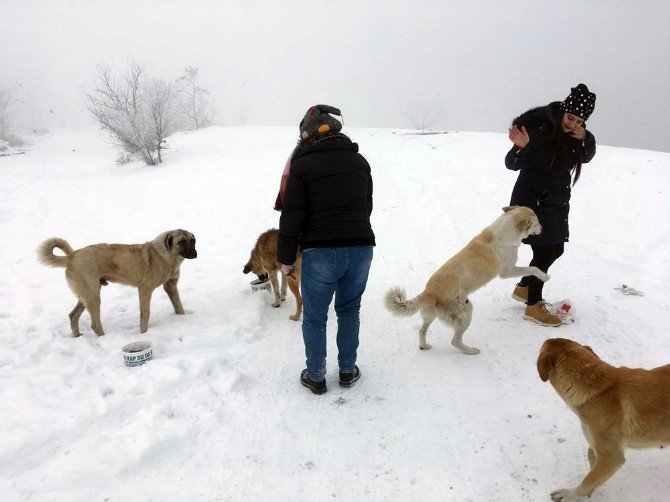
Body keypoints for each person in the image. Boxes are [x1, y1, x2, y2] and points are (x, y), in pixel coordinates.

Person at [278, 105, 375, 394]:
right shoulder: (360, 162)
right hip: (361, 248)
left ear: (307, 136)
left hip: (320, 252)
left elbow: (291, 215)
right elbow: (366, 207)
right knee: (349, 310)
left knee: (316, 317)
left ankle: (317, 376)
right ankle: (347, 371)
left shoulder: (302, 166)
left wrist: (286, 260)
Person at [505, 84, 596, 326]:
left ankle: (525, 288)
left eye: (579, 121)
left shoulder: (575, 135)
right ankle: (533, 305)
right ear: (563, 110)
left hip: (555, 202)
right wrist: (520, 148)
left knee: (556, 249)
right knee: (544, 251)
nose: (572, 124)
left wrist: (586, 138)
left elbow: (585, 156)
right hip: (531, 202)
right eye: (570, 118)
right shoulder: (538, 128)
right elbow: (511, 163)